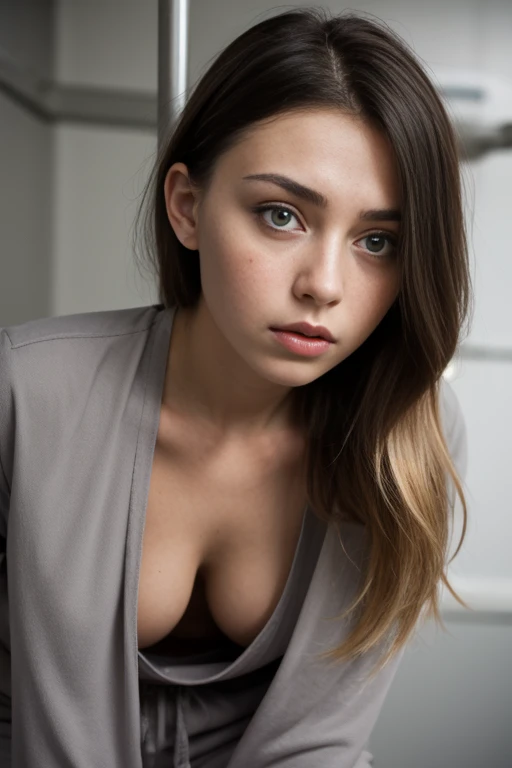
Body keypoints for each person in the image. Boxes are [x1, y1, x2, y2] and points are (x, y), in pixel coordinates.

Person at [0, 7, 471, 767]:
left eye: (377, 241)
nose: (324, 285)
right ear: (188, 206)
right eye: (281, 215)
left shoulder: (408, 434)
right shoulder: (24, 392)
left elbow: (321, 740)